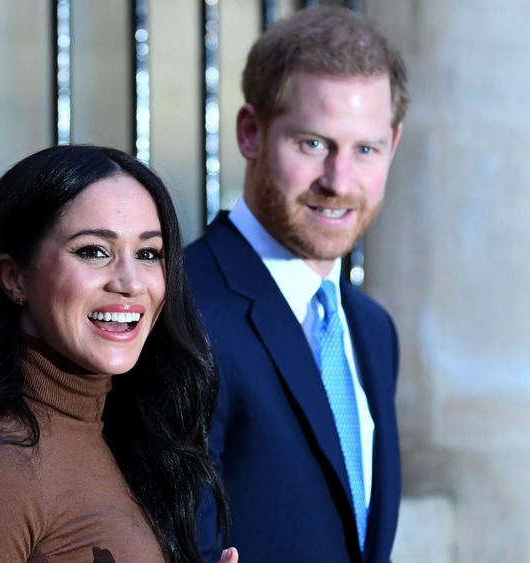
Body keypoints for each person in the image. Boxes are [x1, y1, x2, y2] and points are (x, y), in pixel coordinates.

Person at [0, 145, 238, 563]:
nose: (130, 281)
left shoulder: (121, 432)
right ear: (14, 278)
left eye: (148, 253)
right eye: (93, 251)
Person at [186, 6, 408, 563]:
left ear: (394, 145)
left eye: (365, 149)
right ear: (250, 132)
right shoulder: (182, 307)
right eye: (312, 143)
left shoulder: (373, 330)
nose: (338, 181)